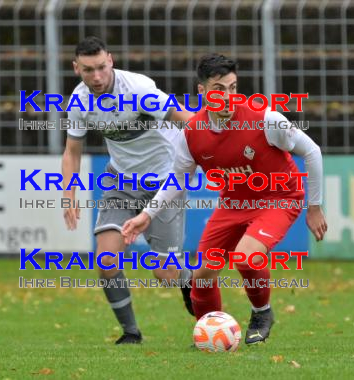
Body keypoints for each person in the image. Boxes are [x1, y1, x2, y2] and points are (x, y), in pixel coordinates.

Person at [122, 53, 327, 345]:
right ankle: (209, 333)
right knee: (201, 277)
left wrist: (315, 207)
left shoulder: (264, 119)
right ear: (202, 92)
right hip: (233, 203)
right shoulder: (192, 133)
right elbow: (178, 180)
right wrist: (146, 215)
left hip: (279, 198)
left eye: (233, 88)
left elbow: (312, 152)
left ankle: (262, 312)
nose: (228, 96)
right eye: (219, 89)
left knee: (246, 257)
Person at [62, 37, 194, 345]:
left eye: (101, 68)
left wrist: (219, 152)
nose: (96, 77)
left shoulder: (138, 91)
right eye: (87, 70)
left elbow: (186, 119)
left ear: (111, 60)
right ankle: (131, 333)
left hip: (165, 182)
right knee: (106, 262)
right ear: (76, 68)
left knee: (165, 273)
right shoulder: (79, 100)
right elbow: (72, 151)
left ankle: (199, 296)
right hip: (120, 183)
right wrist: (69, 194)